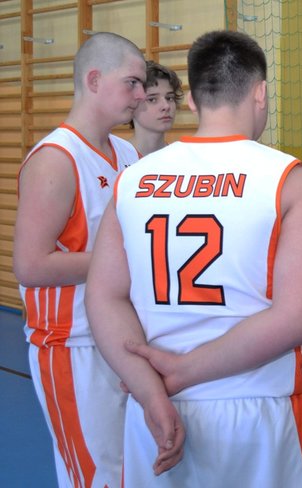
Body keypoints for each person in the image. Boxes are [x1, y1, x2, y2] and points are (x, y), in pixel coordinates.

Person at [84, 30, 302, 487]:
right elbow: (297, 316)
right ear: (260, 93)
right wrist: (184, 372)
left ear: (193, 100)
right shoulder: (287, 178)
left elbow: (103, 296)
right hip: (262, 413)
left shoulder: (134, 178)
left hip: (157, 413)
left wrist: (150, 389)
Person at [12, 33, 145, 487]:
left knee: (133, 473)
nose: (140, 94)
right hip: (72, 346)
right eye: (131, 82)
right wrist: (121, 261)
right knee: (96, 477)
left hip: (122, 338)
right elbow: (31, 265)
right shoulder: (55, 159)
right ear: (94, 80)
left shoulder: (126, 153)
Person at [129, 60, 184, 156]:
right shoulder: (118, 158)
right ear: (130, 104)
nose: (166, 106)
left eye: (169, 98)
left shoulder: (180, 158)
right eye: (152, 99)